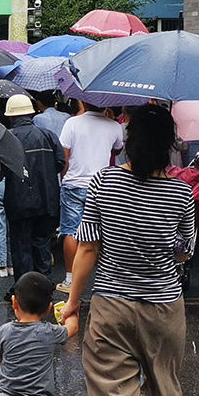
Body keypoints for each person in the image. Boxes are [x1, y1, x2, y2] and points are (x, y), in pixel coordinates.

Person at [60, 104, 195, 396]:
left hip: (111, 307)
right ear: (168, 146)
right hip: (162, 308)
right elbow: (184, 252)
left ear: (129, 140)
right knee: (164, 390)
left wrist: (73, 306)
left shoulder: (104, 182)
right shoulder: (180, 195)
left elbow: (86, 249)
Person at [56, 101, 123, 293]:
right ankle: (106, 278)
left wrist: (64, 178)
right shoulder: (114, 126)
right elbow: (117, 149)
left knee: (70, 231)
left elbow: (64, 156)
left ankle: (70, 279)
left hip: (74, 183)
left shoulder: (72, 123)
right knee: (103, 231)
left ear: (83, 103)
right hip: (102, 185)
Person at [3, 94, 66, 284]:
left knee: (21, 247)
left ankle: (24, 288)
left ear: (11, 116)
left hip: (18, 200)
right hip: (47, 199)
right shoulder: (48, 135)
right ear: (31, 113)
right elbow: (60, 162)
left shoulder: (8, 138)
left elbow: (1, 170)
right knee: (42, 244)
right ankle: (45, 285)